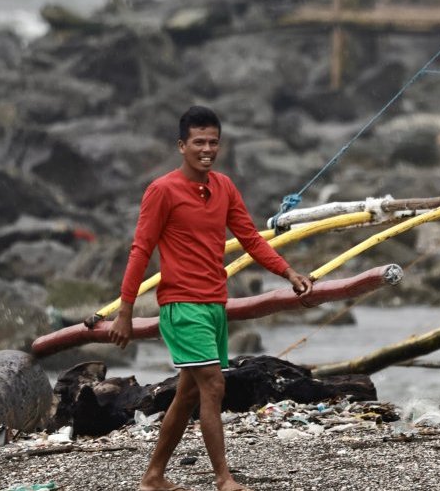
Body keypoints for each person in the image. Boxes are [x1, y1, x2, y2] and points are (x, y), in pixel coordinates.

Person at [109, 105, 312, 491]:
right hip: (181, 307)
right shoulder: (162, 190)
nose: (207, 149)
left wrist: (287, 272)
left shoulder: (223, 187)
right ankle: (224, 479)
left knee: (187, 395)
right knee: (214, 385)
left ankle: (152, 477)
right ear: (181, 145)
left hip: (215, 305)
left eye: (213, 142)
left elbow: (250, 239)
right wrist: (125, 310)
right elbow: (141, 249)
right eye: (198, 142)